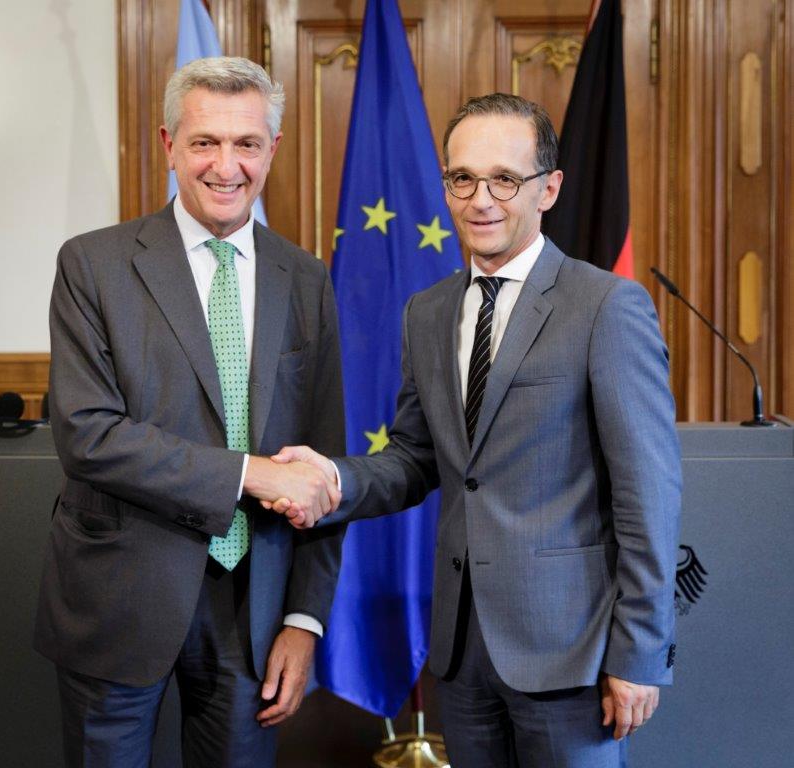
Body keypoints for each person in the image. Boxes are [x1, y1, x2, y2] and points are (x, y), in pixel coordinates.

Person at [268, 94, 682, 768]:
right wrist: (333, 477)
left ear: (549, 189)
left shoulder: (605, 306)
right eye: (462, 178)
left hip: (572, 655)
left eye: (504, 180)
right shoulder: (427, 312)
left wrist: (639, 652)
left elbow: (649, 495)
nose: (480, 200)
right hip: (461, 657)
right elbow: (415, 458)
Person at [34, 57, 344, 767]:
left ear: (273, 149)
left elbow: (323, 463)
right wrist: (250, 474)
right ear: (169, 144)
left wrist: (304, 619)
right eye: (205, 142)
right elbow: (87, 436)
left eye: (247, 144)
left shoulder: (305, 278)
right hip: (118, 595)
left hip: (253, 610)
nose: (226, 166)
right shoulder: (93, 265)